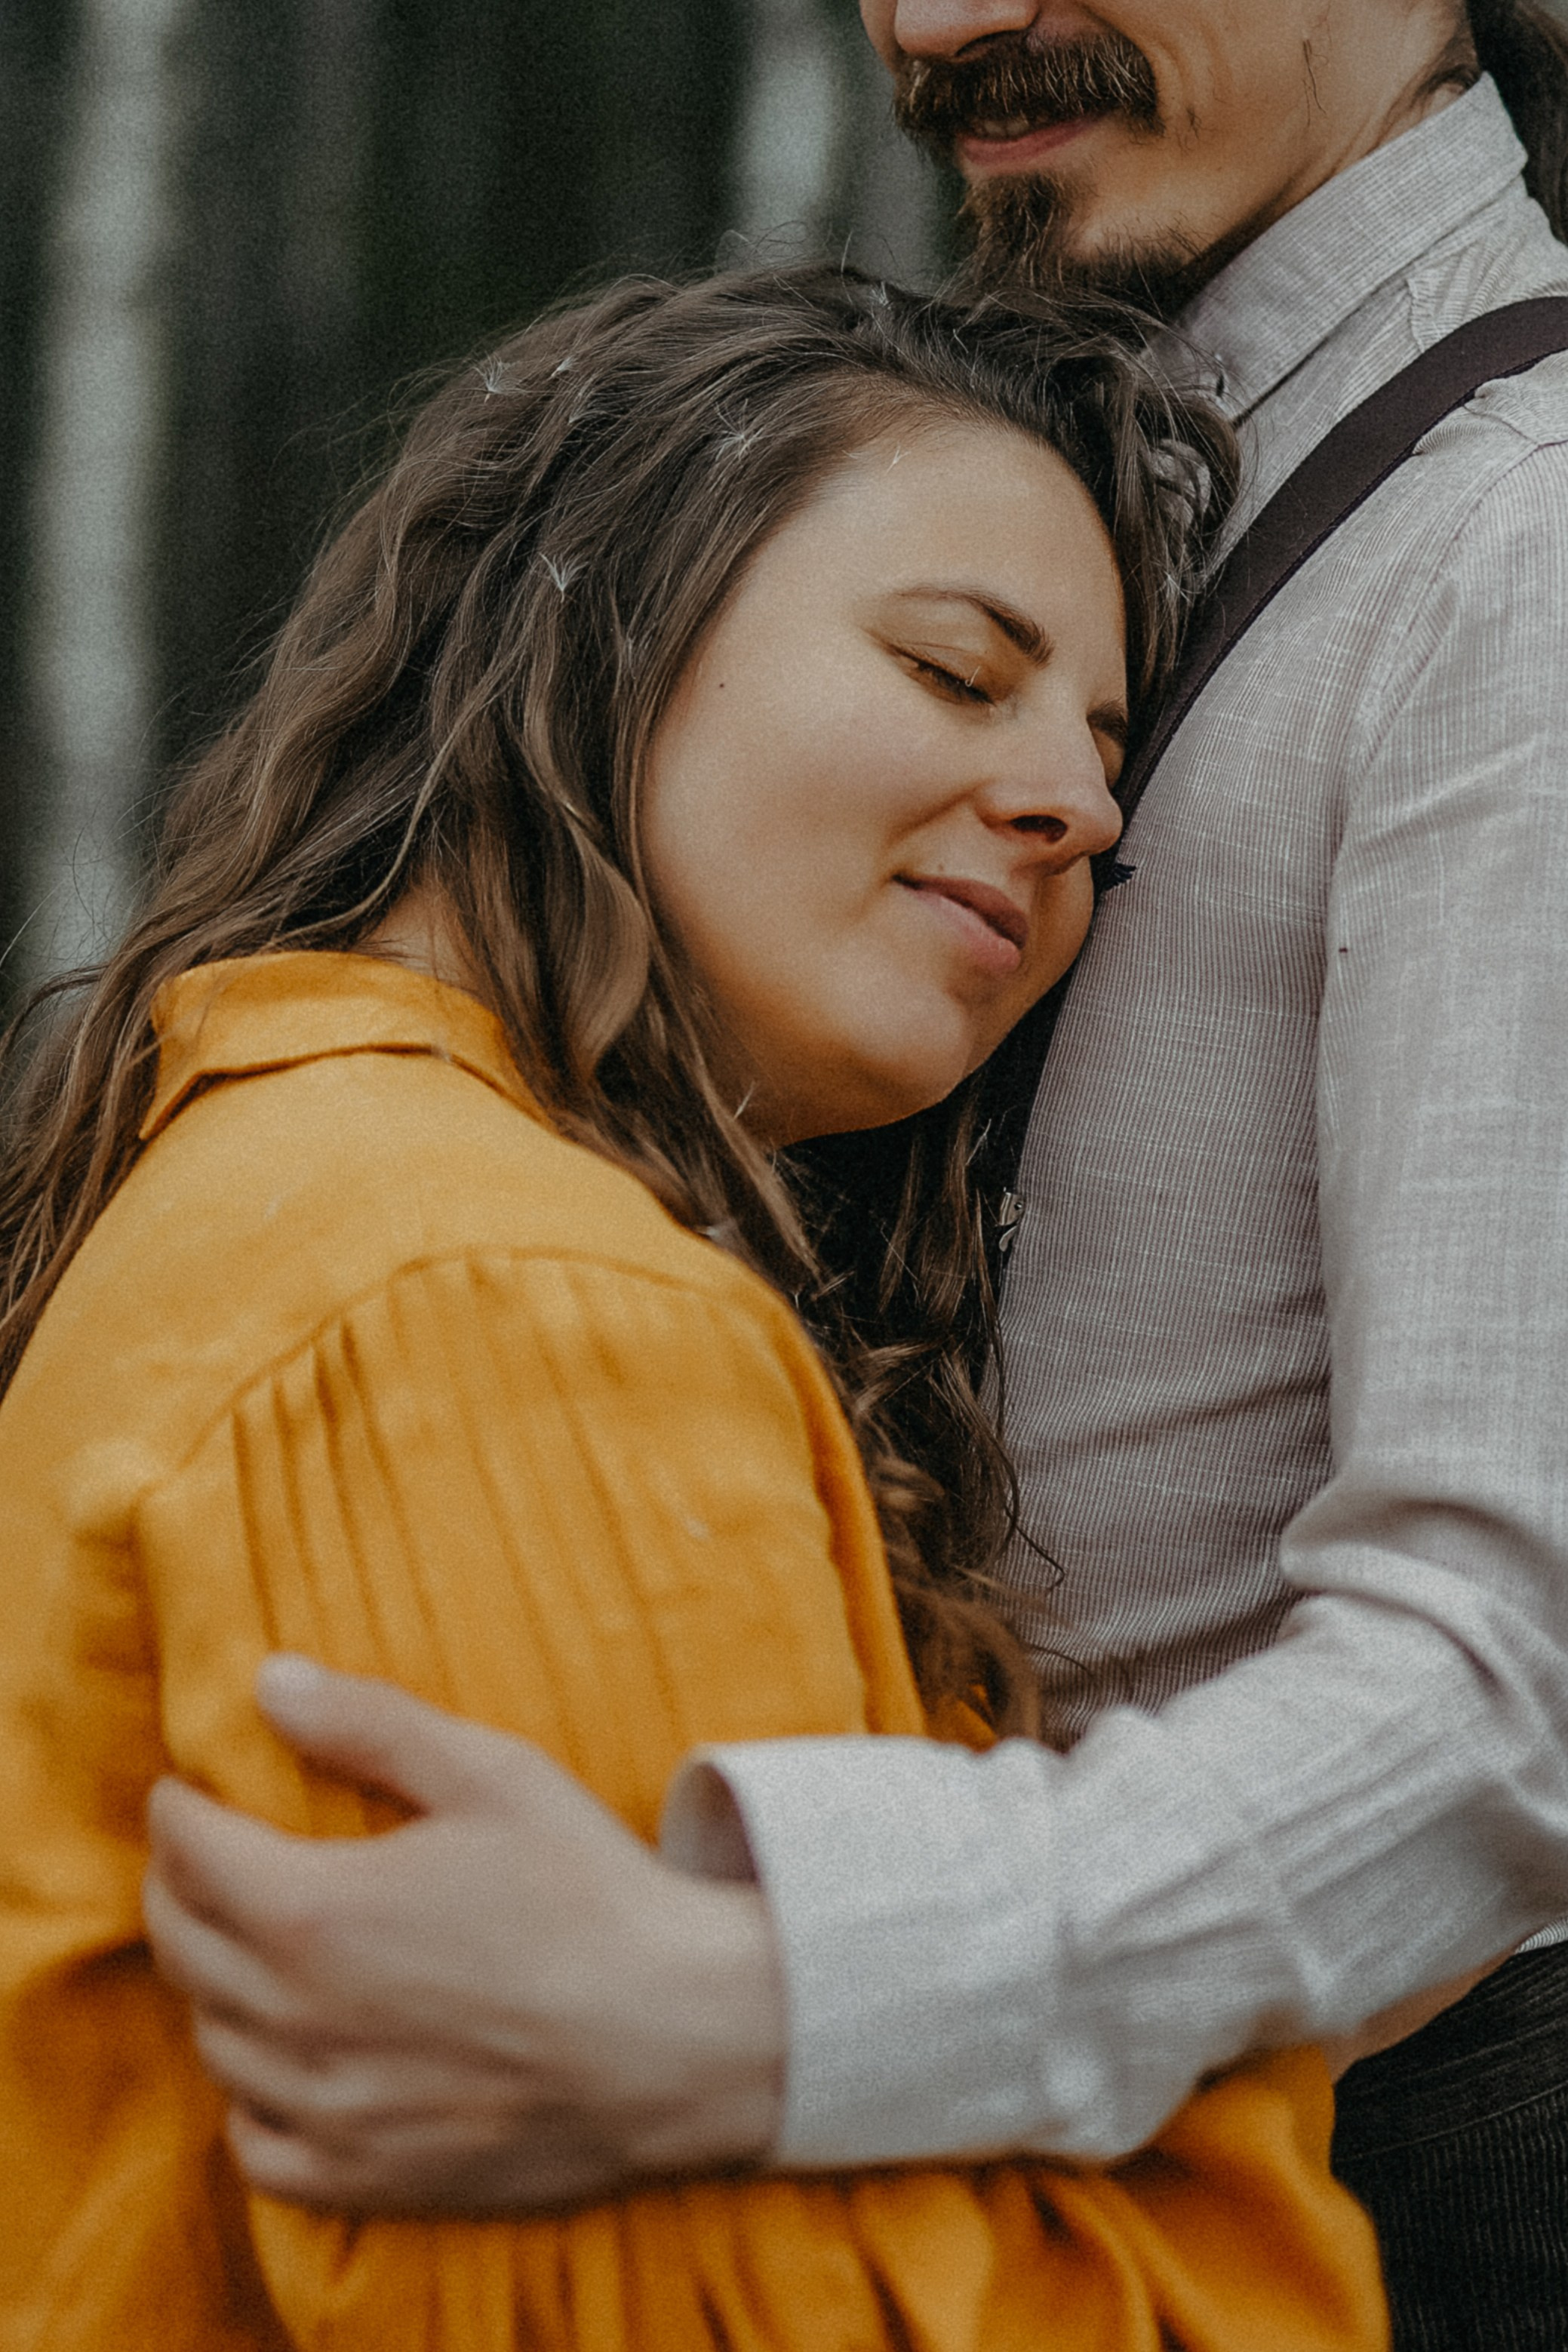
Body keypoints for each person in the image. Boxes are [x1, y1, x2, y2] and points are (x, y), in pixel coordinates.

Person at [141, 3, 1568, 2345]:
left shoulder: (1522, 546)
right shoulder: (1120, 440)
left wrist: (757, 1997)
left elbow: (1519, 1684)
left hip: (1403, 2191)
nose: (933, 18)